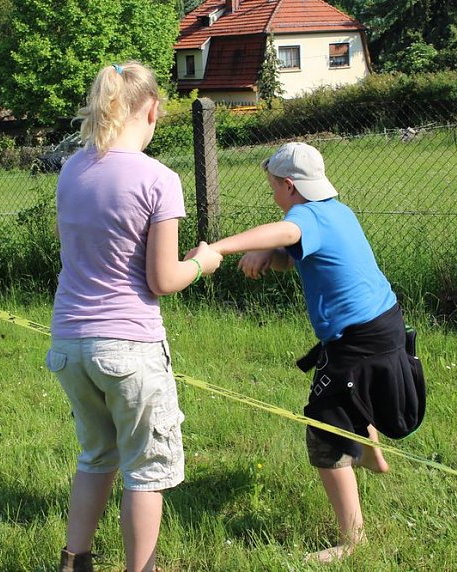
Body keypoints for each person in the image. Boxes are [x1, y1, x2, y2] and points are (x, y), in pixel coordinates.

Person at [202, 142, 425, 563]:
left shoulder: (304, 217)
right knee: (351, 397)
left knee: (324, 426)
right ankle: (372, 454)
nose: (273, 194)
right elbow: (294, 254)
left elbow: (289, 233)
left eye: (273, 187)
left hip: (358, 339)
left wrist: (218, 248)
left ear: (289, 185)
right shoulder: (337, 211)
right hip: (382, 324)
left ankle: (352, 541)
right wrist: (268, 254)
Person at [46, 61, 223, 572]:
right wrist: (203, 262)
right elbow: (162, 279)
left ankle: (74, 561)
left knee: (96, 457)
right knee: (147, 470)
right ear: (151, 110)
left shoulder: (71, 169)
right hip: (129, 348)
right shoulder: (158, 178)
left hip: (70, 345)